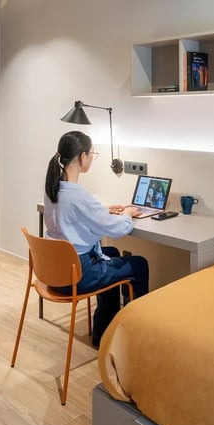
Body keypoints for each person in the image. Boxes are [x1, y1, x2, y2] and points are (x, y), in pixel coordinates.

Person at [44, 130, 149, 347]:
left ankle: (103, 333)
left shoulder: (52, 188)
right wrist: (128, 214)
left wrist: (102, 210)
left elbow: (74, 215)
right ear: (82, 157)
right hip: (77, 275)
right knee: (139, 264)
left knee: (112, 253)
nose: (92, 157)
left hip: (55, 272)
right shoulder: (78, 195)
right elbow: (118, 229)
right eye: (92, 153)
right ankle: (135, 339)